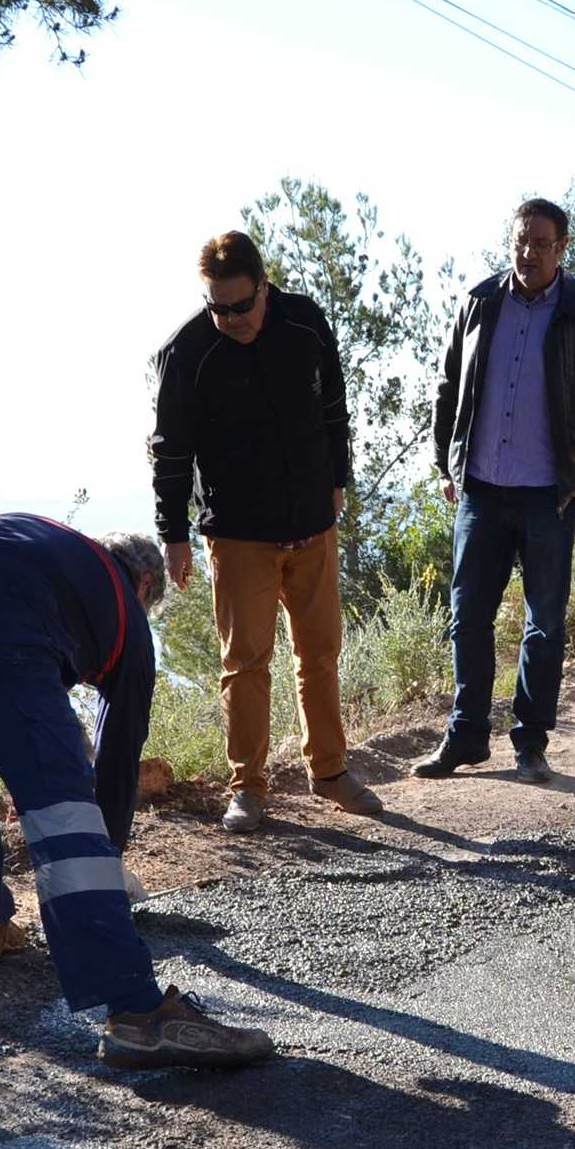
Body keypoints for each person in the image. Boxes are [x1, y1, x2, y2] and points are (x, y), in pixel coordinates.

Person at [0, 512, 275, 1068]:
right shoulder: (122, 605)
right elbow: (117, 755)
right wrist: (105, 857)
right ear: (145, 586)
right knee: (63, 805)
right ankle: (137, 1013)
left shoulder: (56, 555)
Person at [150, 229, 384, 834]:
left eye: (241, 305)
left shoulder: (305, 322)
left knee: (320, 653)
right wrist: (172, 533)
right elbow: (170, 449)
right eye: (218, 308)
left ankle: (330, 772)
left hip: (311, 523)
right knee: (246, 664)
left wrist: (338, 479)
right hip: (238, 535)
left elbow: (334, 407)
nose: (231, 319)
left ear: (264, 287)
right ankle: (247, 787)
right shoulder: (188, 351)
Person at [415, 197, 575, 785]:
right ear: (510, 239)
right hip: (481, 493)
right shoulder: (480, 302)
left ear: (562, 247)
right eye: (521, 240)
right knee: (468, 616)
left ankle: (530, 741)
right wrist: (446, 465)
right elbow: (448, 389)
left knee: (545, 624)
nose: (529, 252)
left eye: (542, 243)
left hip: (551, 496)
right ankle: (465, 736)